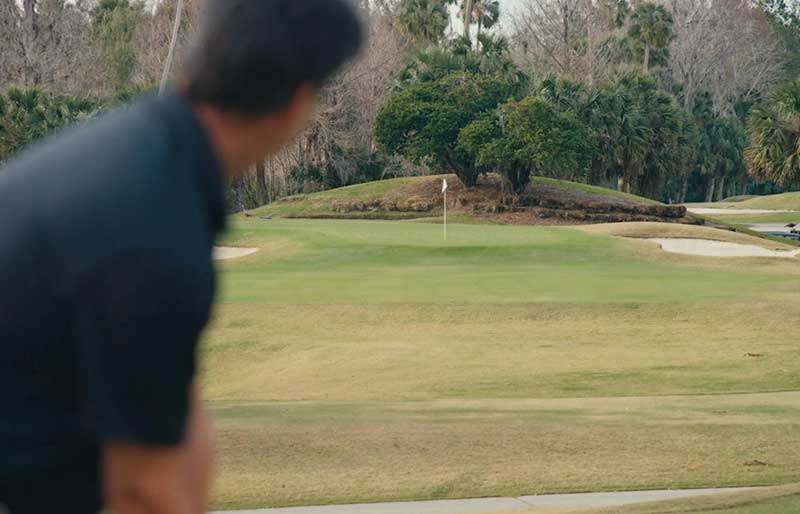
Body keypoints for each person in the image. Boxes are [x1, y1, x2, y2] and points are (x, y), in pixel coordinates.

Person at [0, 1, 362, 513]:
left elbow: (177, 423)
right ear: (297, 99)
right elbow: (143, 493)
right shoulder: (151, 225)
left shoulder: (151, 155)